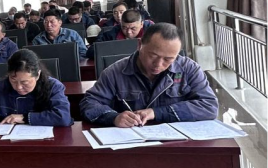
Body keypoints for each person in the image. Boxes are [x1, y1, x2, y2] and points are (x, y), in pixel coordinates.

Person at [82, 23, 218, 127]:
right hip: (131, 143)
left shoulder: (189, 69)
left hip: (177, 144)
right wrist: (114, 117)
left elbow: (209, 106)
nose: (158, 64)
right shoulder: (115, 72)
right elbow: (89, 103)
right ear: (139, 45)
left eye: (168, 59)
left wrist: (157, 112)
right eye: (153, 55)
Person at [0, 49, 72, 128]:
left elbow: (63, 116)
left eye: (24, 82)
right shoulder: (0, 87)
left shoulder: (53, 87)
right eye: (13, 80)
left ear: (37, 75)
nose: (18, 87)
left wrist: (24, 118)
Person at [87, 10, 151, 59]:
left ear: (141, 24)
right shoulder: (111, 34)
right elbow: (91, 52)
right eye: (124, 28)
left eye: (133, 28)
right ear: (121, 24)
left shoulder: (151, 33)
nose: (129, 32)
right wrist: (115, 48)